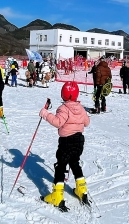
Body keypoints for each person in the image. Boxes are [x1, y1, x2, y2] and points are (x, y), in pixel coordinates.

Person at [39, 81, 91, 211]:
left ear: (63, 94)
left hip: (66, 141)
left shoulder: (64, 108)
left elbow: (58, 122)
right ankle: (82, 189)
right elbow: (87, 122)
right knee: (75, 162)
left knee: (61, 166)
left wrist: (45, 114)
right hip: (79, 141)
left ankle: (57, 195)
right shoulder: (81, 108)